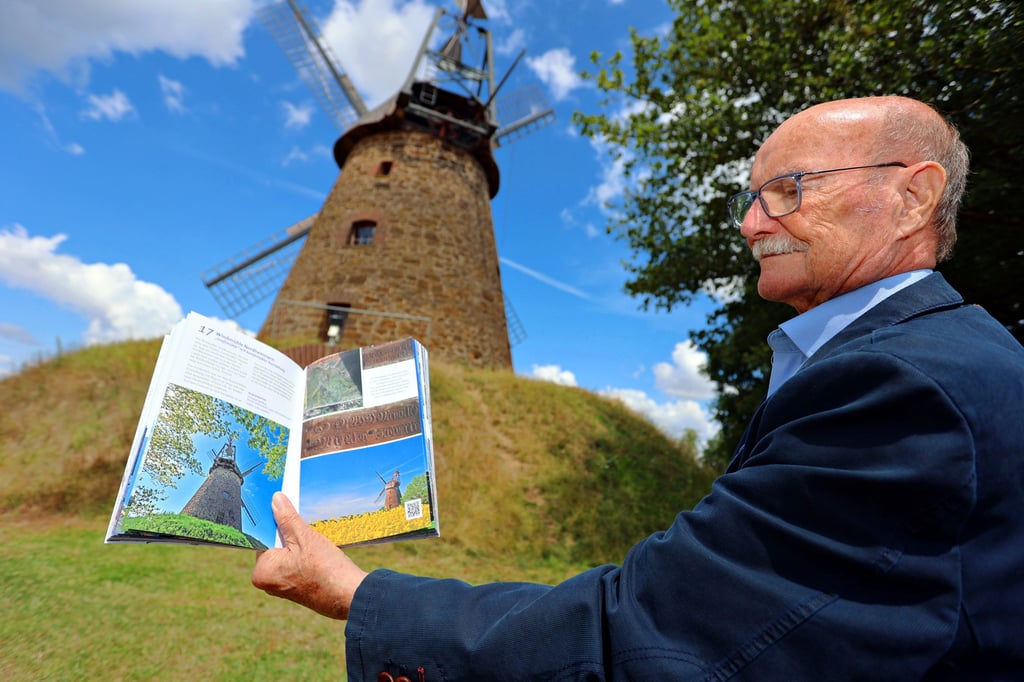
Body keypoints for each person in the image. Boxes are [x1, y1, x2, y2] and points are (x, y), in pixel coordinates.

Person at [252, 96, 1024, 680]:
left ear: (914, 197)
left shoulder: (903, 386)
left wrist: (359, 593)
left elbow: (660, 632)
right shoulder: (929, 355)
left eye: (788, 189)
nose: (755, 224)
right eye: (752, 198)